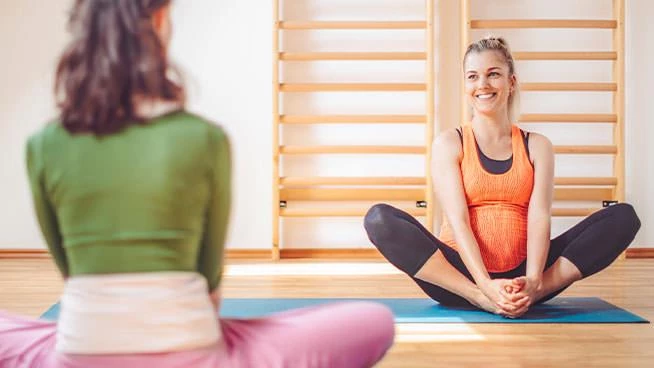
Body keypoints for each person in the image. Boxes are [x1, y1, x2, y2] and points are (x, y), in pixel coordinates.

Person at [0, 1, 394, 367]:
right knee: (374, 320)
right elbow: (208, 275)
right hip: (196, 354)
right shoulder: (203, 137)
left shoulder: (44, 145)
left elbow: (69, 270)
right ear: (158, 21)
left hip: (79, 352)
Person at [364, 36, 641, 318]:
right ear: (465, 85)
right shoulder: (450, 143)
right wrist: (484, 286)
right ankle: (481, 299)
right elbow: (458, 220)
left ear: (511, 82)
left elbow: (539, 217)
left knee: (623, 218)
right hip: (460, 277)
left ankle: (532, 294)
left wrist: (533, 281)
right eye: (473, 76)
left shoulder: (537, 145)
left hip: (525, 276)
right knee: (379, 219)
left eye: (493, 74)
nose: (482, 84)